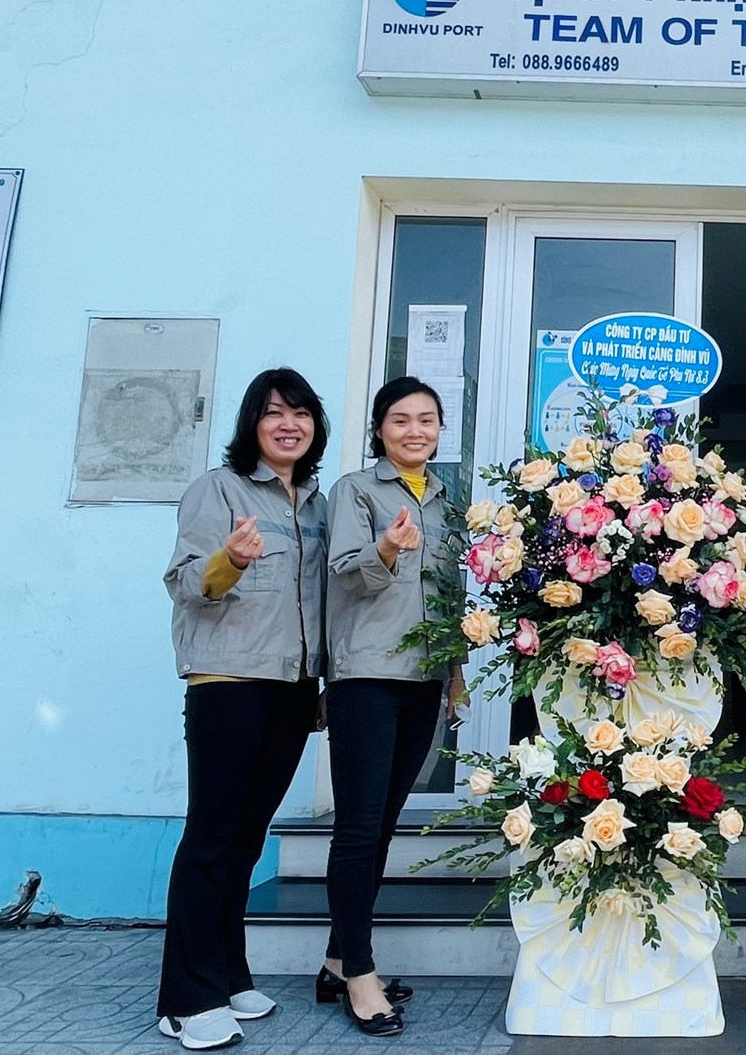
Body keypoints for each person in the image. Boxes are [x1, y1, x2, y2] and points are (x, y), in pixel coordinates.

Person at [157, 368, 331, 1051]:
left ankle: (229, 975)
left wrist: (323, 681)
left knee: (247, 837)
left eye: (301, 413)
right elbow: (185, 583)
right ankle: (186, 998)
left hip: (291, 687)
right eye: (273, 412)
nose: (289, 424)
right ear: (251, 423)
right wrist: (229, 558)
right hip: (228, 682)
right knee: (212, 835)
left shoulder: (316, 504)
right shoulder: (219, 489)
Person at [318, 377, 468, 1037]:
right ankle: (361, 973)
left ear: (439, 430)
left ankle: (336, 960)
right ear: (380, 428)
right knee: (357, 828)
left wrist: (456, 674)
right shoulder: (354, 490)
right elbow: (346, 574)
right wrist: (384, 548)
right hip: (367, 676)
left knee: (380, 826)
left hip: (425, 678)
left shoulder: (446, 500)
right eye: (401, 419)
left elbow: (450, 594)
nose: (415, 431)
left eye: (426, 420)